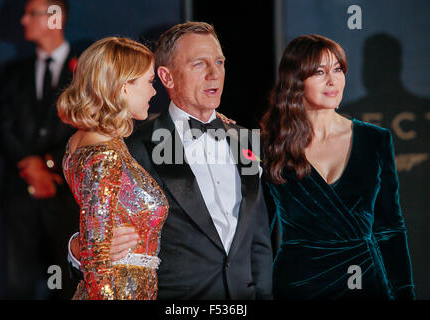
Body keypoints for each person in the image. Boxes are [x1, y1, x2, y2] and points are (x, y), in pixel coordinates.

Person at [68, 21, 273, 300]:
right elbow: (88, 225)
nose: (215, 74)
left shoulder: (245, 140)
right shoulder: (132, 146)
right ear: (166, 77)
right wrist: (79, 247)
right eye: (199, 64)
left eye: (220, 62)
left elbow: (258, 241)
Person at [260, 34, 415, 299]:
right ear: (296, 80)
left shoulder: (375, 140)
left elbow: (389, 227)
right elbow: (260, 234)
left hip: (366, 283)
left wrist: (404, 292)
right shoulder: (270, 145)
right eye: (320, 72)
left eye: (338, 69)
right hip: (298, 285)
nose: (333, 81)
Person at [57, 36, 168, 300]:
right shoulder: (103, 153)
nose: (154, 91)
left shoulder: (93, 142)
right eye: (149, 82)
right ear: (123, 86)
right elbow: (96, 258)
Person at [0, 0, 79, 299]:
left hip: (66, 197)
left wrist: (49, 164)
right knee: (18, 286)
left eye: (31, 13)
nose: (23, 20)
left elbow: (88, 126)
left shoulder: (84, 71)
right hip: (19, 198)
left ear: (55, 18)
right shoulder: (12, 74)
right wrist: (30, 164)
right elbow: (1, 128)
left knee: (65, 285)